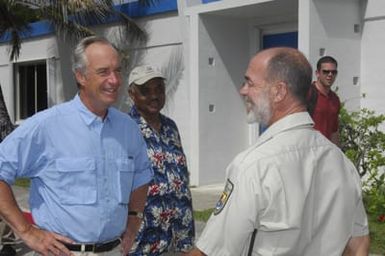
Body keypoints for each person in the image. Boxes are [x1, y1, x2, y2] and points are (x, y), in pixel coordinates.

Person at [187, 48, 370, 255]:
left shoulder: (253, 165)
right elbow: (359, 245)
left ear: (279, 91)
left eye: (250, 83)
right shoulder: (343, 164)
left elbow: (210, 252)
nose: (243, 91)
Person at [0, 36, 153, 256]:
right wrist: (26, 231)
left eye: (117, 71)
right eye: (104, 72)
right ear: (80, 76)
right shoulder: (46, 126)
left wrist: (134, 220)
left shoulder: (128, 128)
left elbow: (141, 176)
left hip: (114, 250)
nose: (115, 80)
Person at [127, 65, 195, 255]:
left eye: (159, 89)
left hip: (178, 237)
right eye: (145, 91)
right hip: (143, 241)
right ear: (132, 94)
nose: (154, 96)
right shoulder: (125, 129)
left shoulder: (171, 127)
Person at [307, 56, 341, 145]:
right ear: (317, 73)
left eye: (334, 72)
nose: (330, 75)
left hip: (326, 153)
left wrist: (337, 154)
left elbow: (334, 131)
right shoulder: (307, 94)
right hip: (308, 151)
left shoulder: (335, 99)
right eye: (326, 71)